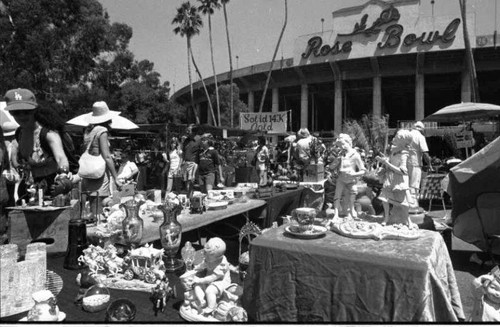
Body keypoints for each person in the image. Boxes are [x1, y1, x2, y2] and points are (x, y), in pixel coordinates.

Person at [3, 88, 76, 200]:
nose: (22, 116)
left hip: (55, 190)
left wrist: (63, 174)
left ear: (35, 110)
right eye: (16, 112)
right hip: (30, 190)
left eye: (27, 111)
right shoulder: (19, 133)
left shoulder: (48, 133)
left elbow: (61, 158)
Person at [78, 101, 123, 222]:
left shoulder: (88, 132)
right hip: (99, 175)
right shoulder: (102, 130)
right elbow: (107, 156)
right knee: (99, 211)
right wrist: (116, 178)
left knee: (90, 208)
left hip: (88, 174)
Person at [376, 129, 415, 227]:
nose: (393, 138)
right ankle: (386, 218)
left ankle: (408, 220)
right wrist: (383, 166)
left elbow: (402, 171)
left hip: (399, 180)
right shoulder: (393, 151)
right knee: (385, 199)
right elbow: (388, 163)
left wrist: (387, 163)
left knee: (403, 203)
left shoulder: (403, 154)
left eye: (396, 138)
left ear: (401, 141)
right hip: (389, 178)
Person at [192, 237, 232, 315]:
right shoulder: (209, 259)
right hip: (209, 280)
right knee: (197, 286)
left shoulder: (222, 265)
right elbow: (203, 264)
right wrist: (195, 269)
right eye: (205, 253)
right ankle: (201, 301)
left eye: (207, 255)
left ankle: (211, 307)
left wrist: (200, 280)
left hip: (221, 282)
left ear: (218, 257)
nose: (204, 256)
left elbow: (212, 278)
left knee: (210, 290)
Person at [333, 133, 366, 219]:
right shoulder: (340, 155)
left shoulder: (355, 155)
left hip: (351, 179)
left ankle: (351, 209)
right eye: (340, 146)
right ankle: (336, 214)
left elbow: (363, 170)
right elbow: (332, 167)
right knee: (337, 195)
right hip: (341, 178)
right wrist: (336, 161)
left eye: (343, 144)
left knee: (353, 192)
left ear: (348, 143)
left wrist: (354, 174)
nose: (342, 147)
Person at [408, 121, 433, 211]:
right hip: (415, 164)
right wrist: (430, 164)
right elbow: (425, 153)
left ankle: (405, 206)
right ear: (422, 129)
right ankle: (413, 207)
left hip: (404, 164)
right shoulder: (420, 136)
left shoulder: (407, 135)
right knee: (414, 186)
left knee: (406, 186)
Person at [182, 125, 200, 199]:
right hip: (185, 163)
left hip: (193, 163)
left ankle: (190, 198)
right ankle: (190, 197)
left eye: (189, 130)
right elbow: (183, 152)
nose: (187, 132)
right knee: (186, 182)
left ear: (193, 132)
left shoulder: (199, 139)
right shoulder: (186, 141)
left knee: (190, 182)